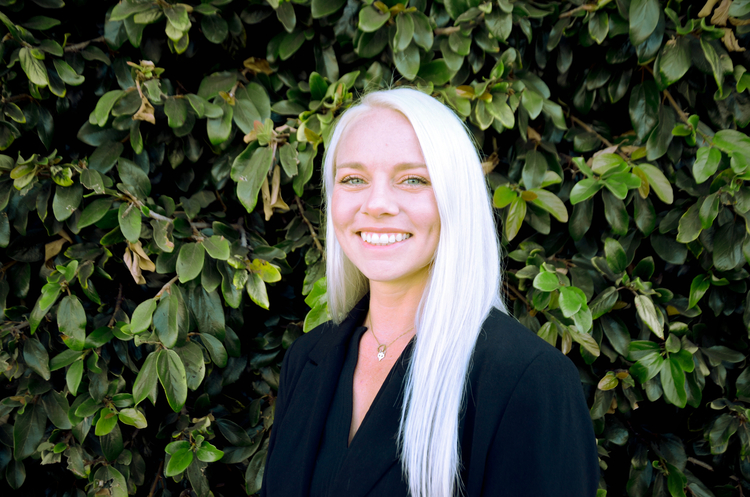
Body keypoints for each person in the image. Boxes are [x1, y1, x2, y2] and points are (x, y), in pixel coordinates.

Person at [260, 88, 599, 497]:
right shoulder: (307, 359)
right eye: (353, 179)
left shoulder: (528, 380)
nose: (377, 203)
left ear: (455, 199)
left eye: (413, 179)